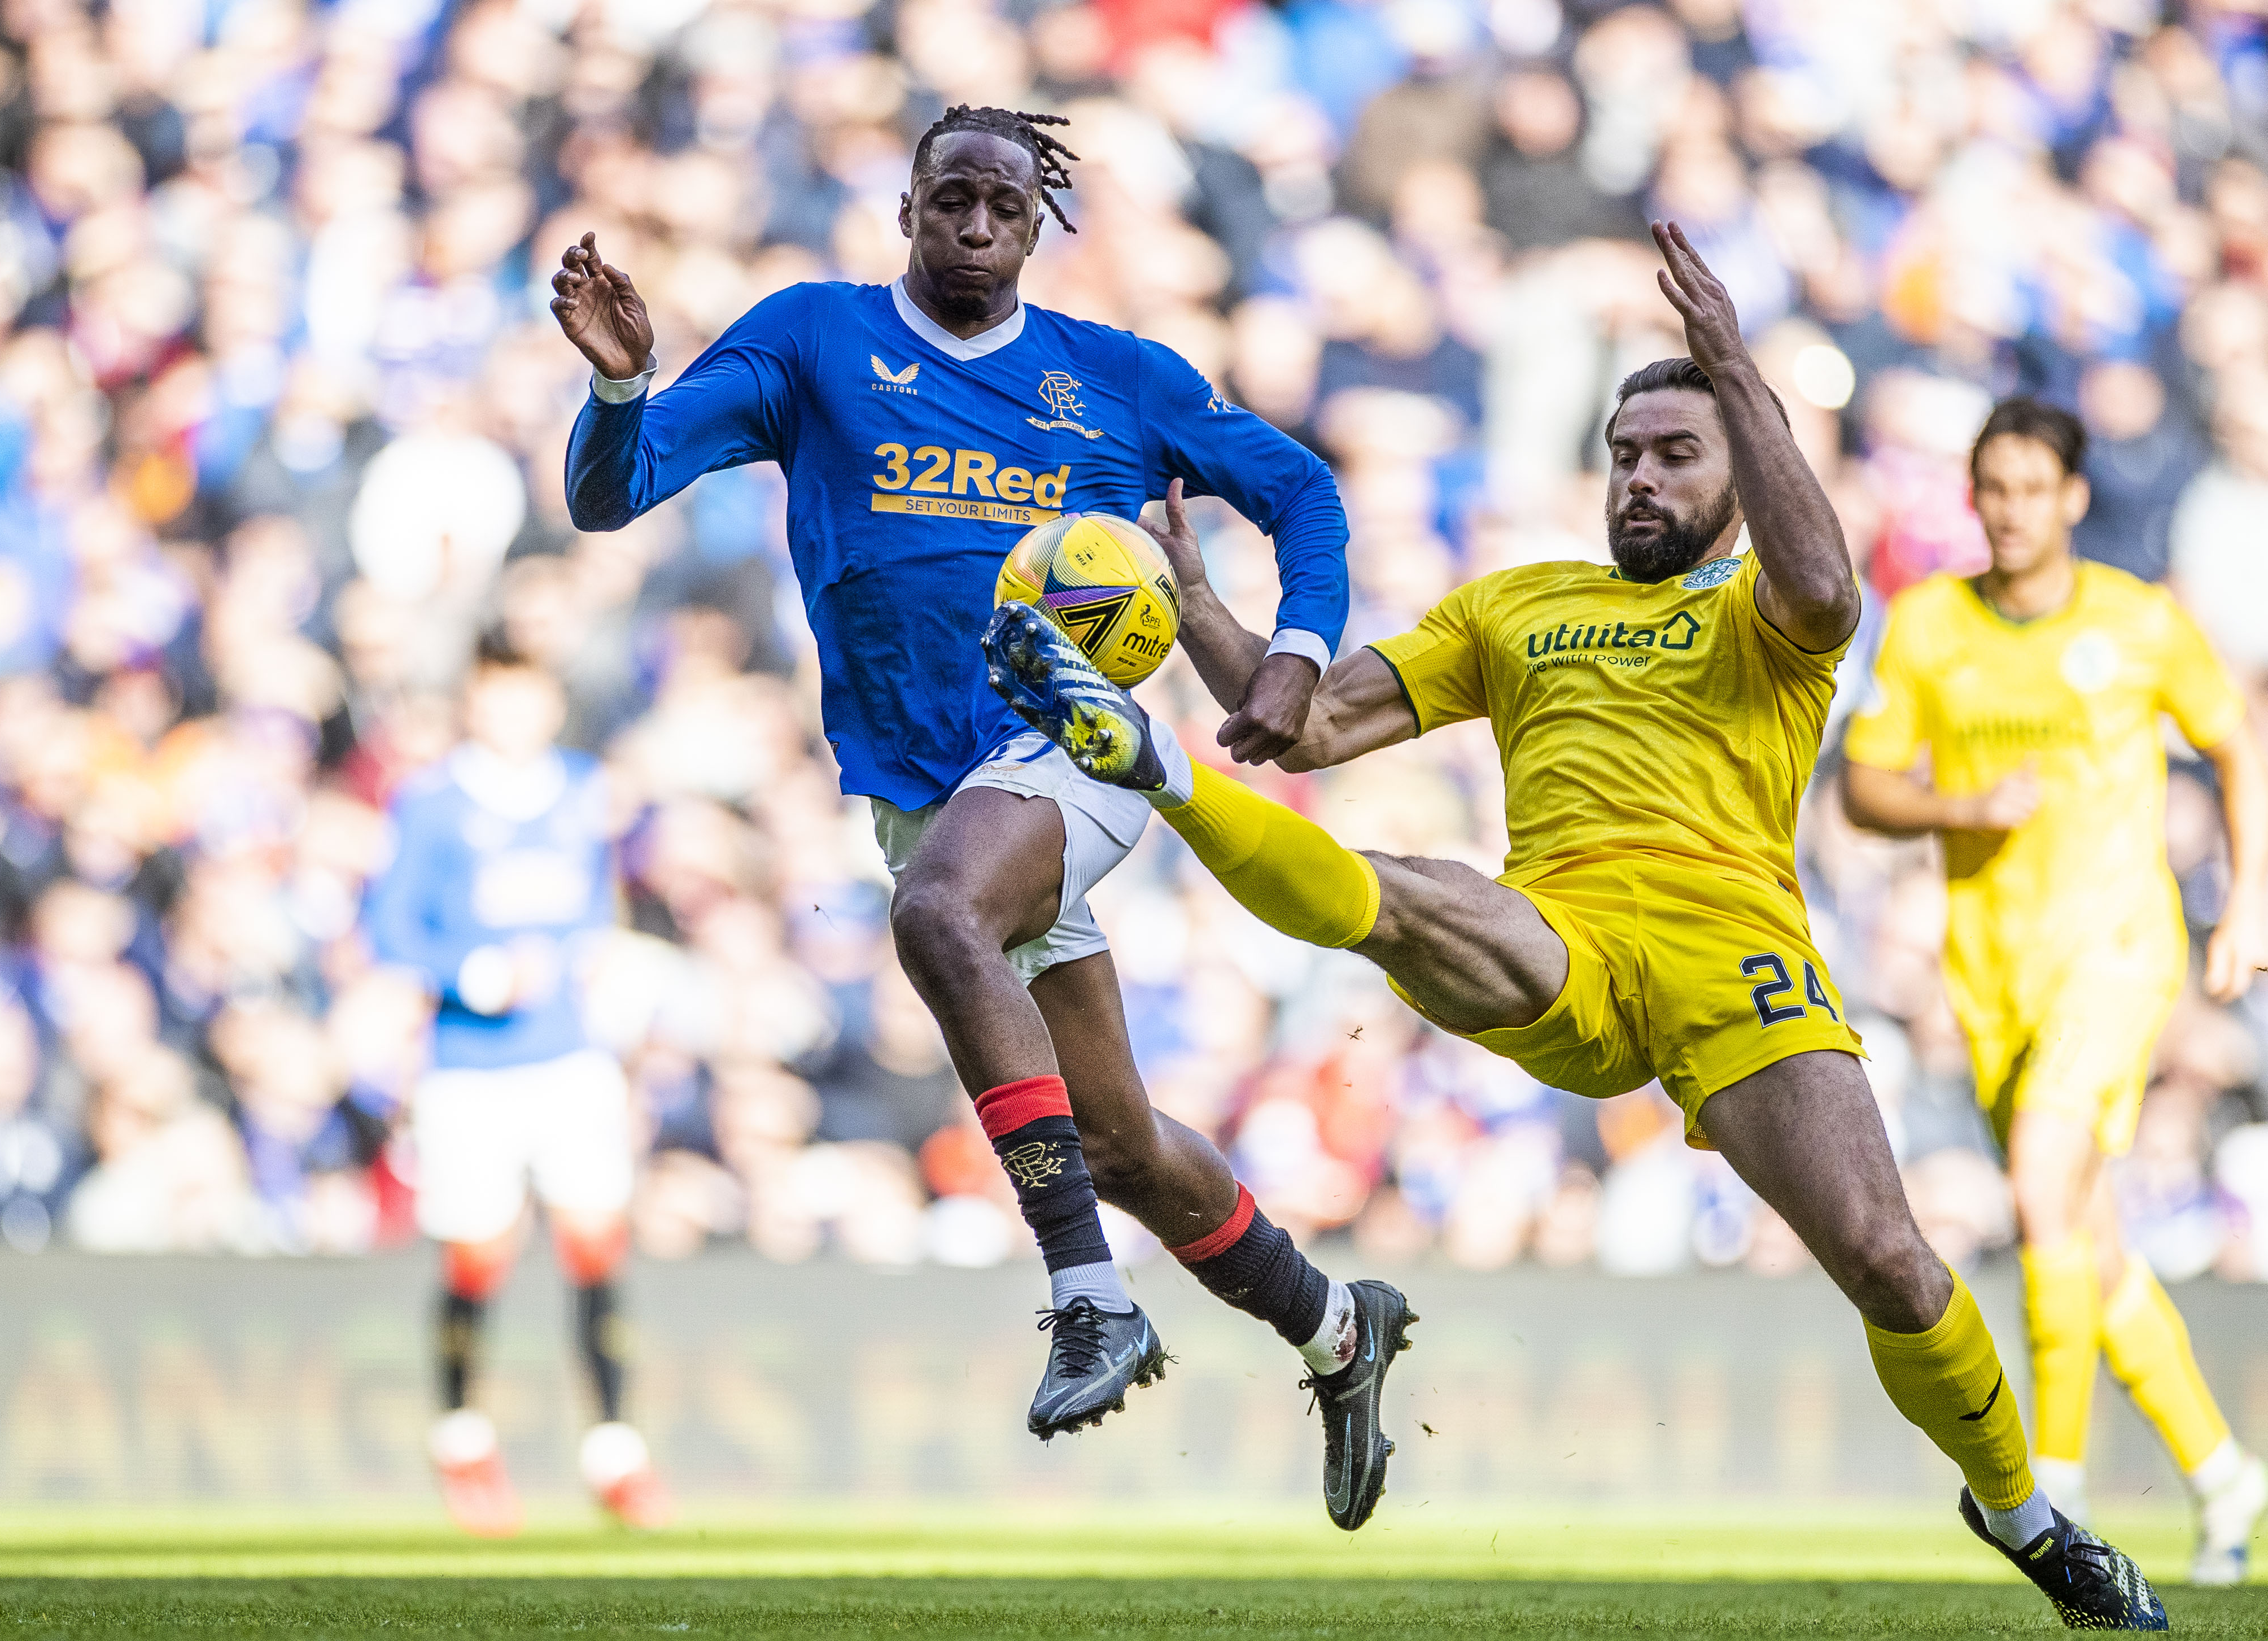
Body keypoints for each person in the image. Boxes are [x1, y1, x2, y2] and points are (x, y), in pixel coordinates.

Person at [987, 224, 2167, 1629]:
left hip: (1741, 966)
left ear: (1742, 464)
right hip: (1563, 941)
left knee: (1892, 1263)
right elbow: (1297, 726)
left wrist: (1737, 363)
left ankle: (2025, 1516)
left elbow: (1827, 588)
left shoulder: (1765, 611)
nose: (1640, 477)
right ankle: (1153, 769)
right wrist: (1192, 610)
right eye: (1624, 453)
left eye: (1676, 451)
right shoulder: (1516, 606)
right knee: (1416, 894)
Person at [553, 103, 1414, 1530]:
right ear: (904, 210)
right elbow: (611, 497)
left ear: (1037, 225)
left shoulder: (1115, 380)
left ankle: (1087, 1298)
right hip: (926, 786)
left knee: (939, 912)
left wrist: (1298, 650)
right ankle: (1336, 1328)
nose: (973, 221)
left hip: (1071, 738)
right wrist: (628, 387)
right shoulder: (813, 340)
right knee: (1123, 1143)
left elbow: (1301, 491)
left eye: (1003, 203)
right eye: (948, 195)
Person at [1842, 396, 2268, 1586]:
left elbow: (2236, 740)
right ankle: (2221, 1473)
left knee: (2037, 1188)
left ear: (2072, 497)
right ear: (1971, 498)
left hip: (2117, 953)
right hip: (1991, 975)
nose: (2013, 510)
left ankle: (2055, 1488)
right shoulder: (1928, 627)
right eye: (1993, 488)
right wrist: (1957, 809)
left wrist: (2247, 902)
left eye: (2034, 488)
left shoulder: (2137, 623)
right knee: (2084, 1242)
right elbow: (1864, 788)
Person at [365, 632, 667, 1537]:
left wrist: (602, 969)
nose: (512, 712)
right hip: (471, 1066)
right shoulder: (432, 804)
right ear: (473, 700)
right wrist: (475, 974)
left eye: (527, 693)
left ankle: (614, 1450)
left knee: (594, 1240)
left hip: (569, 1055)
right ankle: (463, 1438)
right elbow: (390, 930)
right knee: (477, 1254)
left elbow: (594, 907)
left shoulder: (580, 790)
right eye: (496, 694)